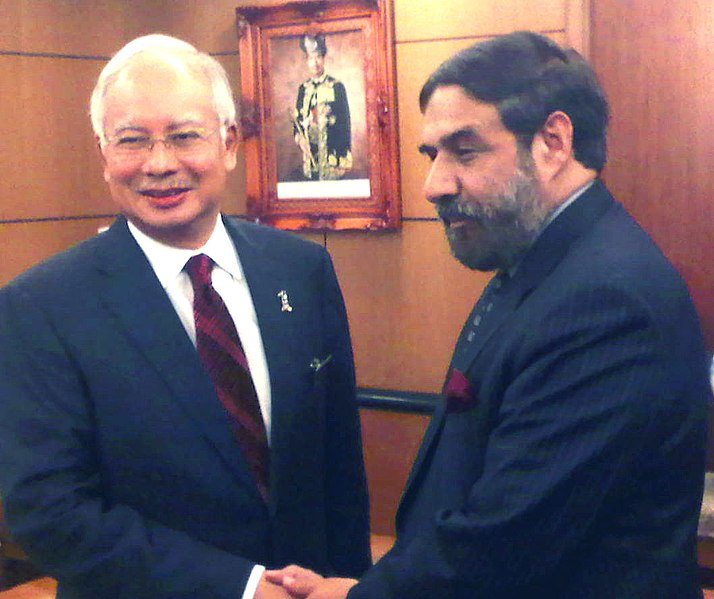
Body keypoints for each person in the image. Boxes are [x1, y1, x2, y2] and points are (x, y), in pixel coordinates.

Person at [267, 30, 712, 598]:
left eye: (465, 150)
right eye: (432, 155)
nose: (433, 184)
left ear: (553, 140)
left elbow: (508, 544)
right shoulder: (542, 260)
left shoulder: (607, 301)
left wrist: (355, 597)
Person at [0, 34, 370, 599]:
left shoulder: (302, 268)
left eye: (183, 136)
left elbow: (339, 464)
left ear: (229, 143)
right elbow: (49, 511)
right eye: (132, 141)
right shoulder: (41, 307)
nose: (159, 164)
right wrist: (241, 587)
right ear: (104, 154)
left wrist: (351, 587)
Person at [292, 34, 352, 181]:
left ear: (324, 58)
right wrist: (300, 140)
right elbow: (297, 123)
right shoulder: (303, 89)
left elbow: (345, 125)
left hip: (332, 160)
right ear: (306, 60)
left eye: (318, 57)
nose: (315, 63)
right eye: (311, 58)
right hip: (310, 163)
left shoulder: (337, 86)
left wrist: (343, 159)